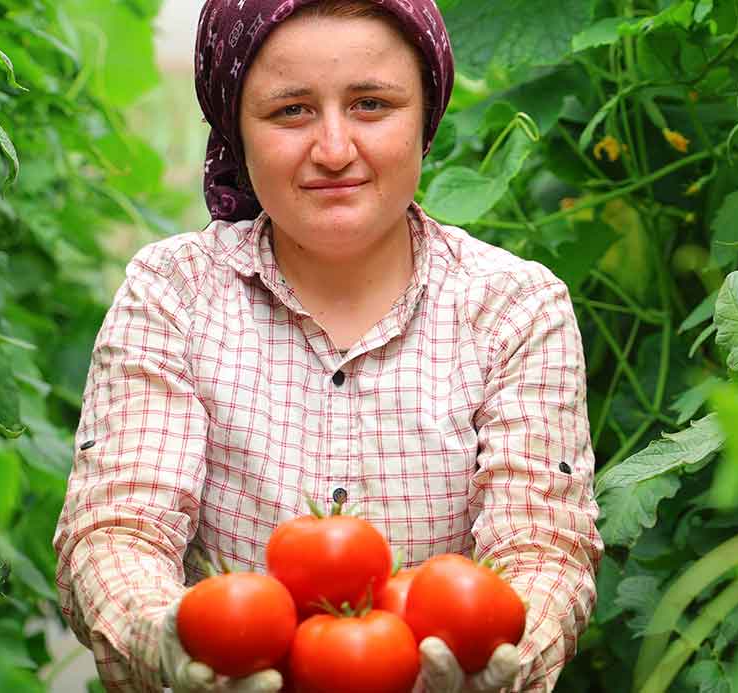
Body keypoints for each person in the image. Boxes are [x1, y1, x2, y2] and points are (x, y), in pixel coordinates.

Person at [53, 0, 603, 691]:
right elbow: (120, 523)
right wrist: (159, 634)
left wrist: (516, 648)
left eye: (372, 104)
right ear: (235, 130)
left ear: (425, 119)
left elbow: (542, 542)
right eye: (291, 111)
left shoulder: (515, 308)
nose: (336, 149)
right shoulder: (174, 294)